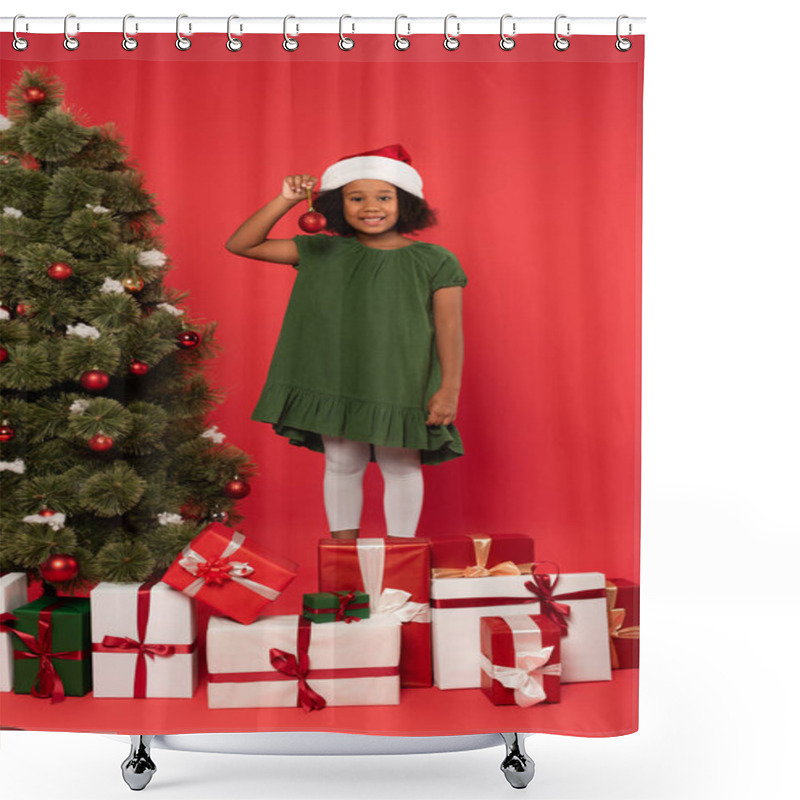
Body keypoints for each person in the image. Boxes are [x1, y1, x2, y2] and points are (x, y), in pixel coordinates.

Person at [225, 144, 466, 540]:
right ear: (339, 205)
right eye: (357, 198)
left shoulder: (436, 259)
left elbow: (449, 329)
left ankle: (399, 561)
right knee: (340, 463)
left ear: (405, 203)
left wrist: (449, 389)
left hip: (402, 379)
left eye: (384, 197)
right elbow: (241, 244)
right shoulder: (321, 250)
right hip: (335, 376)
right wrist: (285, 200)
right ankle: (344, 558)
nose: (371, 207)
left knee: (402, 465)